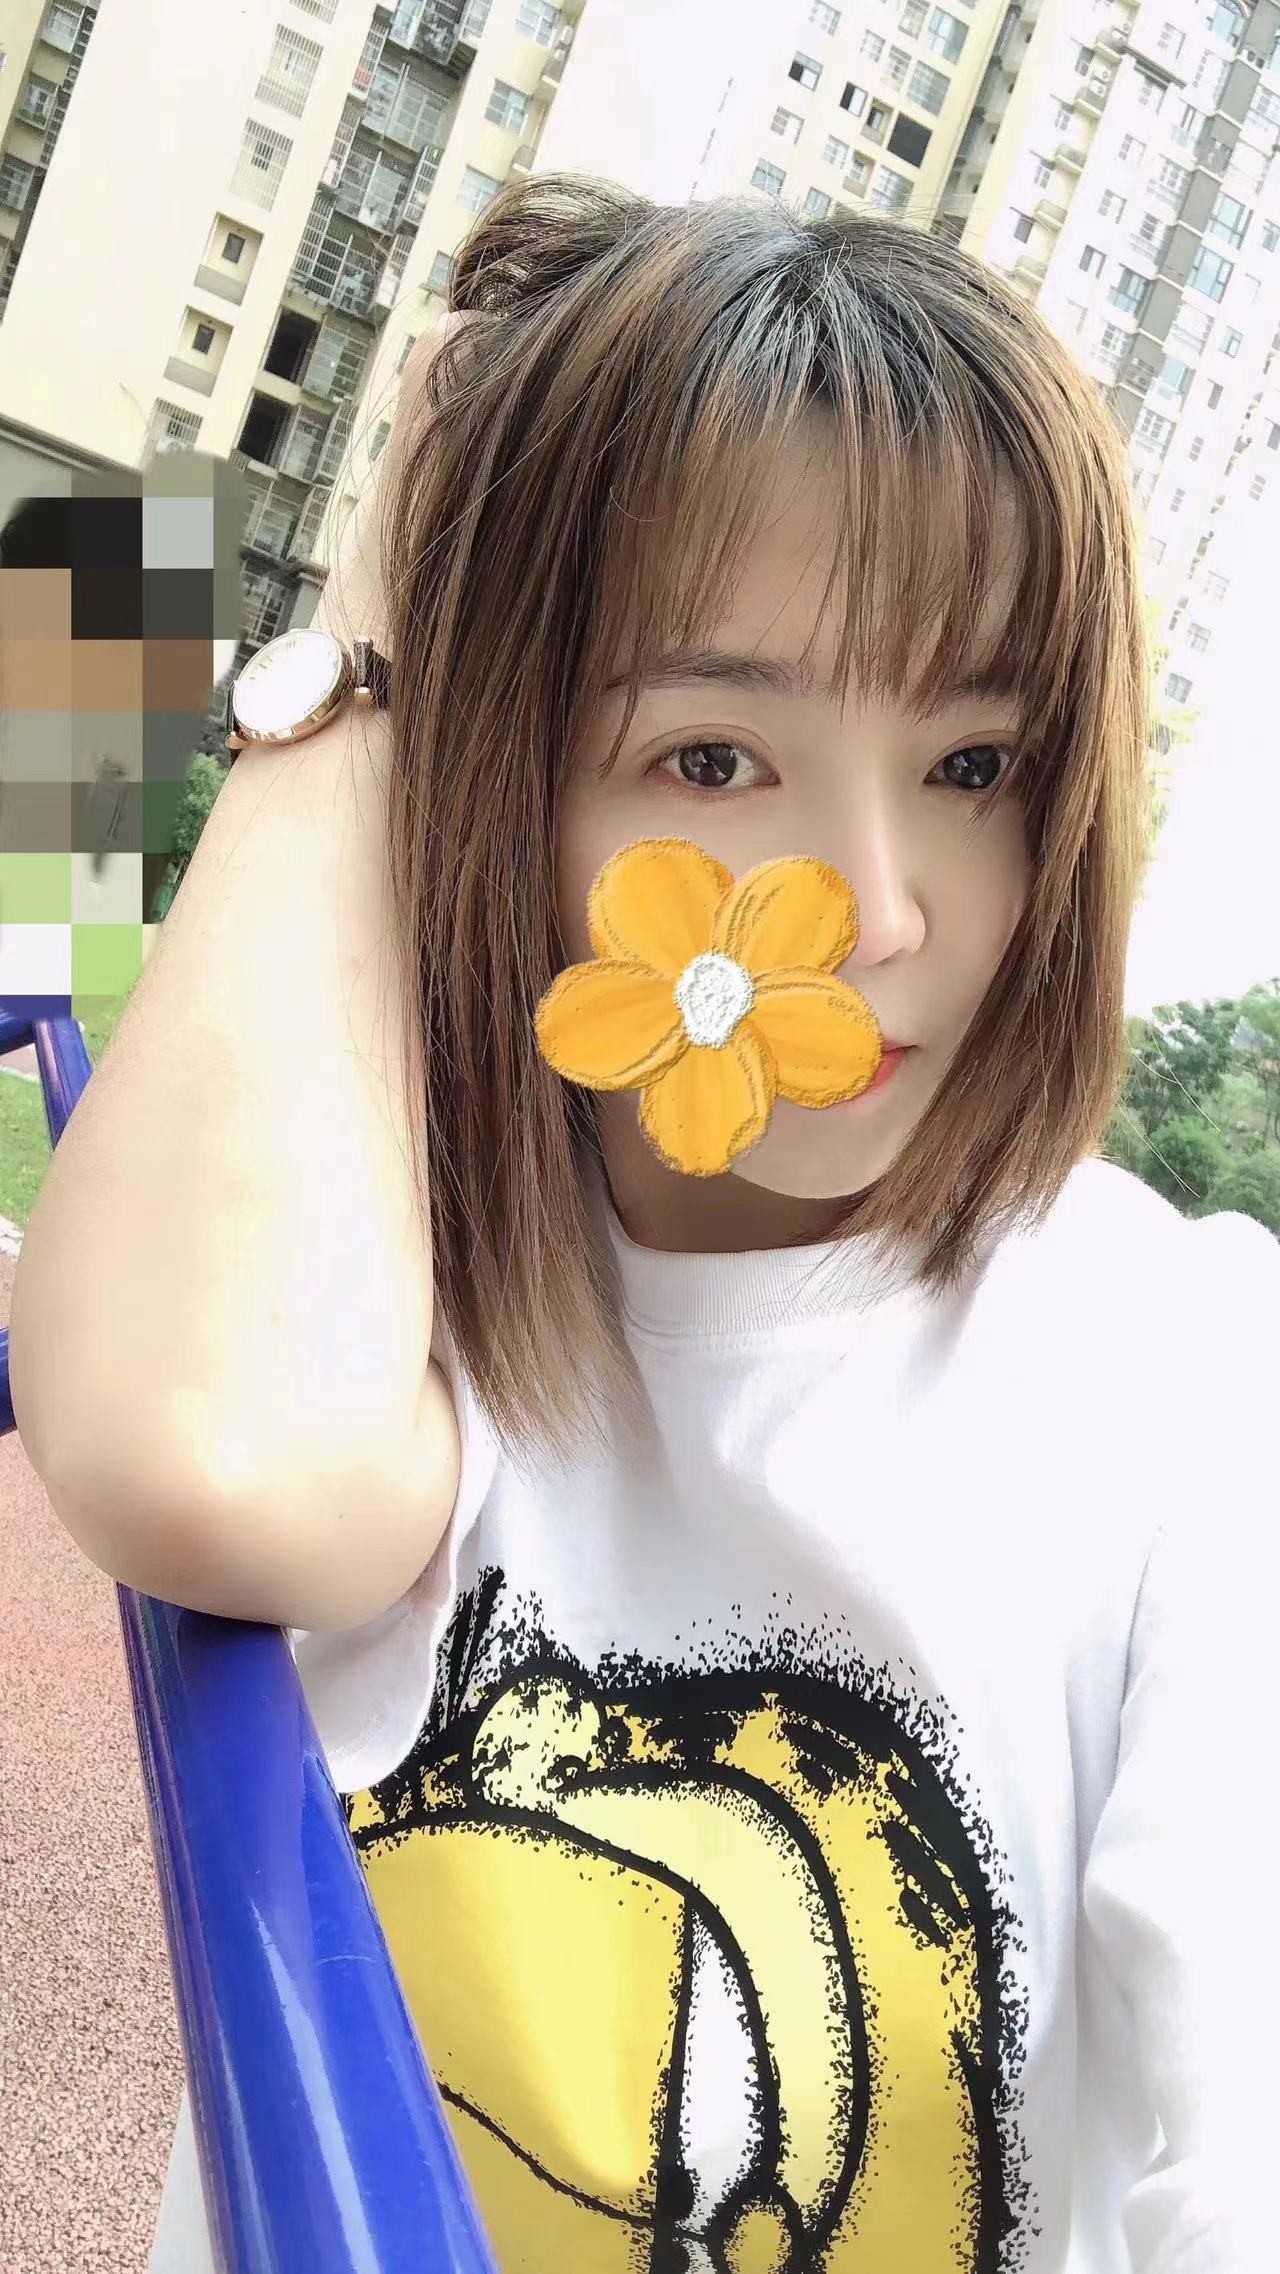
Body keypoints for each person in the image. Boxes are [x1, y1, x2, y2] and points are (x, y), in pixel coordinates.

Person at [12, 174, 1279, 2274]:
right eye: (709, 757)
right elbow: (201, 1455)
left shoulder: (1193, 1378)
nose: (876, 910)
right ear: (499, 769)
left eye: (976, 765)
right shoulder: (372, 1279)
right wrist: (383, 625)